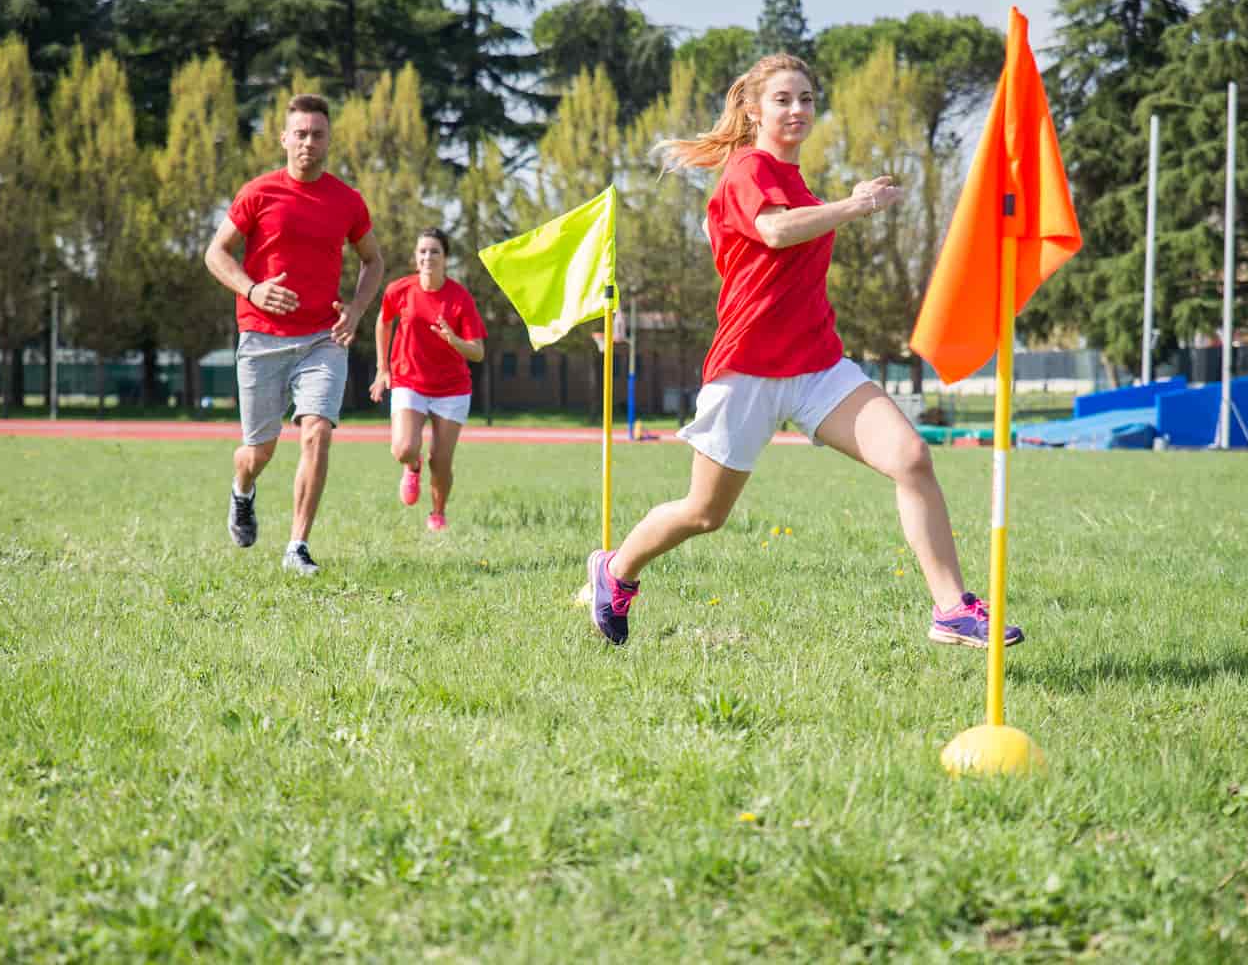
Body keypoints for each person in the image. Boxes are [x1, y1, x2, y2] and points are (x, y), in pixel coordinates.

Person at [586, 54, 1023, 650]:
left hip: (818, 365)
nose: (797, 110)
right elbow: (775, 230)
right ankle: (615, 572)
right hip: (748, 369)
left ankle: (952, 608)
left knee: (912, 457)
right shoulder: (747, 168)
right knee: (704, 514)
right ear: (753, 109)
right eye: (784, 99)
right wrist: (853, 205)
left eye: (807, 99)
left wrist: (839, 205)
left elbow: (795, 225)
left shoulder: (797, 182)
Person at [204, 93, 384, 575]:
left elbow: (373, 260)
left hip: (322, 339)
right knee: (258, 451)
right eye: (300, 134)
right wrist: (252, 289)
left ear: (328, 141)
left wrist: (357, 309)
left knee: (317, 432)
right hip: (261, 338)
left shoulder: (346, 200)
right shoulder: (257, 193)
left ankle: (296, 547)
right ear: (284, 138)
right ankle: (243, 489)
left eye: (317, 134)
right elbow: (215, 253)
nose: (308, 142)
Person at [369, 228, 487, 532]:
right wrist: (383, 368)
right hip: (409, 380)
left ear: (446, 258)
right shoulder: (399, 290)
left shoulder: (460, 298)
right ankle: (412, 466)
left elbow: (477, 352)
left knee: (441, 460)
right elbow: (383, 322)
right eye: (422, 251)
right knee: (404, 448)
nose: (427, 257)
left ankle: (437, 513)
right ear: (415, 257)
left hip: (452, 388)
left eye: (434, 251)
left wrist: (454, 340)